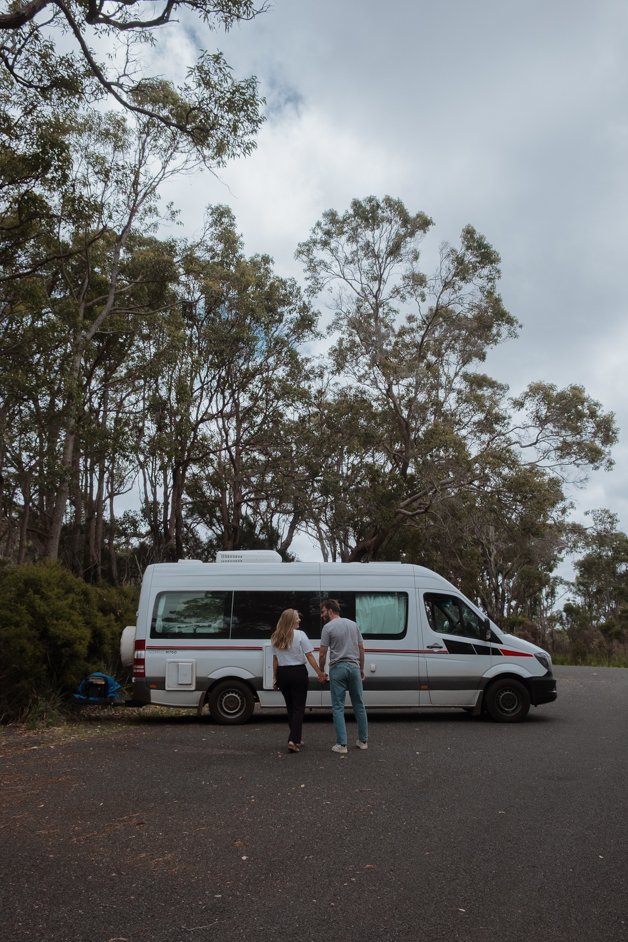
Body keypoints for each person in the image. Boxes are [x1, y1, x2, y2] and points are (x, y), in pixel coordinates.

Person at [271, 608, 326, 753]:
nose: (299, 620)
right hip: (298, 672)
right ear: (291, 620)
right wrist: (320, 672)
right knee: (299, 708)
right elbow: (309, 656)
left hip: (282, 673)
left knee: (290, 707)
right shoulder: (300, 635)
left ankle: (296, 738)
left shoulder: (276, 636)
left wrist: (275, 678)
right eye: (297, 617)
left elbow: (275, 660)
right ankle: (293, 740)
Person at [318, 598, 368, 754]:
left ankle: (342, 745)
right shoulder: (353, 625)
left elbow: (322, 652)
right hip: (353, 667)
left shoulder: (328, 628)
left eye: (323, 611)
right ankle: (363, 741)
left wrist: (321, 671)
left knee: (338, 707)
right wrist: (361, 668)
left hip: (337, 668)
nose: (322, 615)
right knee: (359, 705)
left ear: (331, 611)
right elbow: (361, 648)